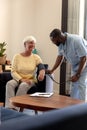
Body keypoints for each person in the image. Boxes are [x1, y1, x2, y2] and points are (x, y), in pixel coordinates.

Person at [5, 36, 45, 109]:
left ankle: (16, 108)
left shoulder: (36, 57)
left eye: (34, 43)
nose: (32, 45)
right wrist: (20, 79)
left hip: (30, 80)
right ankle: (9, 107)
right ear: (24, 44)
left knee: (23, 85)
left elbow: (41, 66)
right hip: (18, 78)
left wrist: (42, 73)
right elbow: (13, 71)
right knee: (9, 83)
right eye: (30, 43)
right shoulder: (17, 56)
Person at [47, 28, 87, 101]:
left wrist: (78, 74)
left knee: (81, 84)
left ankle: (82, 107)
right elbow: (60, 57)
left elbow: (84, 58)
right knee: (74, 85)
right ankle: (73, 105)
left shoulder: (75, 40)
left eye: (53, 41)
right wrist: (52, 70)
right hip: (75, 64)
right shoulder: (60, 44)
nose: (53, 43)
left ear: (58, 37)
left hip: (84, 62)